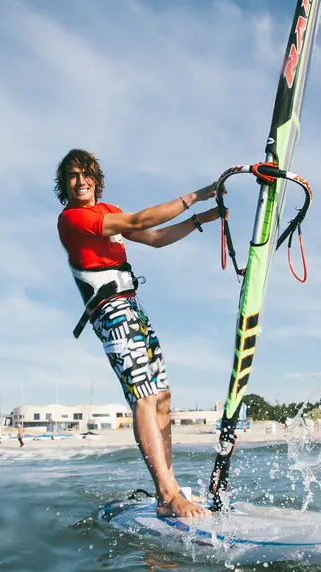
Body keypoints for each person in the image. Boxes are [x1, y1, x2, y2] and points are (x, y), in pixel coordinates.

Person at [55, 149, 222, 519]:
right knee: (144, 398)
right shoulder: (73, 218)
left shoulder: (106, 210)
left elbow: (157, 236)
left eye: (86, 174)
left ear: (96, 179)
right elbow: (141, 218)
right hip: (110, 312)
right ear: (64, 184)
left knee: (162, 396)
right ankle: (166, 496)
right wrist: (198, 194)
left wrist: (203, 219)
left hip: (133, 308)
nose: (80, 181)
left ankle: (172, 488)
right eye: (72, 176)